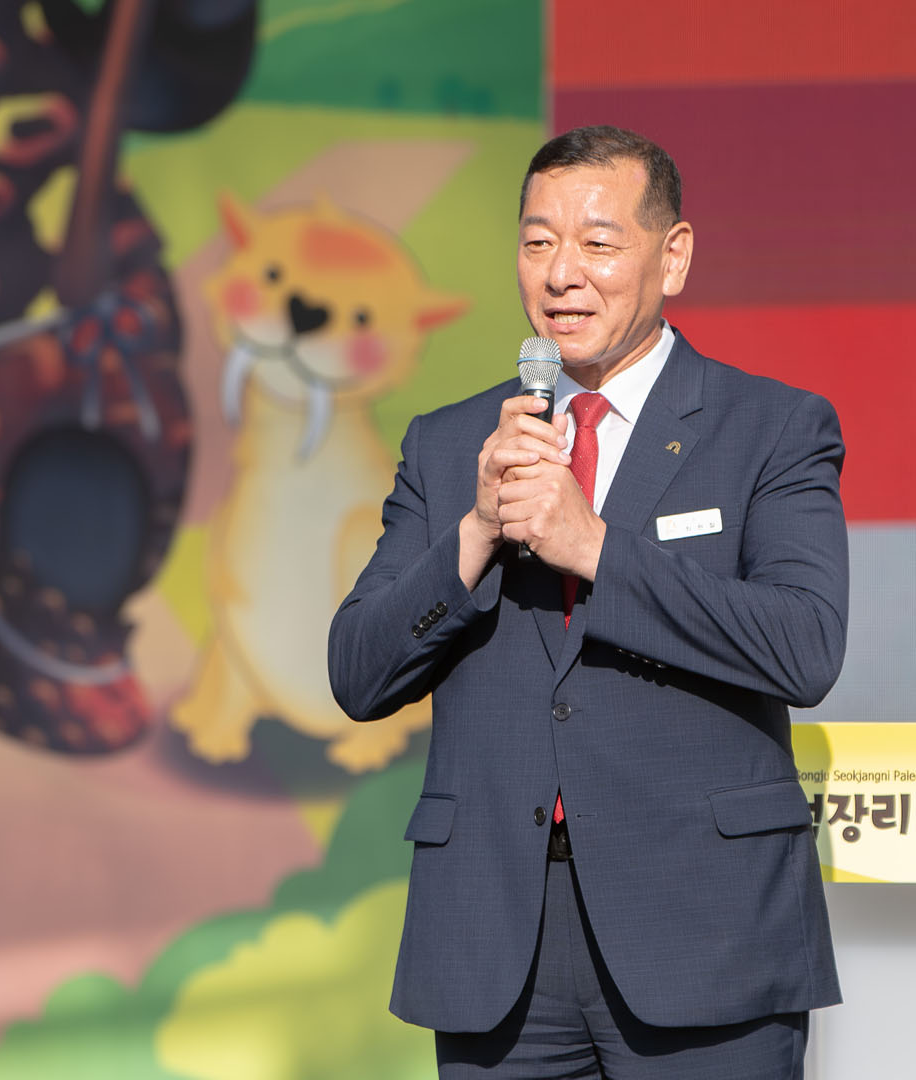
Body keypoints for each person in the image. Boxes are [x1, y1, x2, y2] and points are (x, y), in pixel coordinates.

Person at [328, 125, 848, 1078]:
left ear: (673, 256)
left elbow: (803, 645)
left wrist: (595, 548)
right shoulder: (452, 446)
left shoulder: (771, 427)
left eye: (598, 243)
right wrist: (475, 534)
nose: (562, 273)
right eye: (538, 242)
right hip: (497, 942)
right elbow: (358, 674)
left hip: (704, 931)